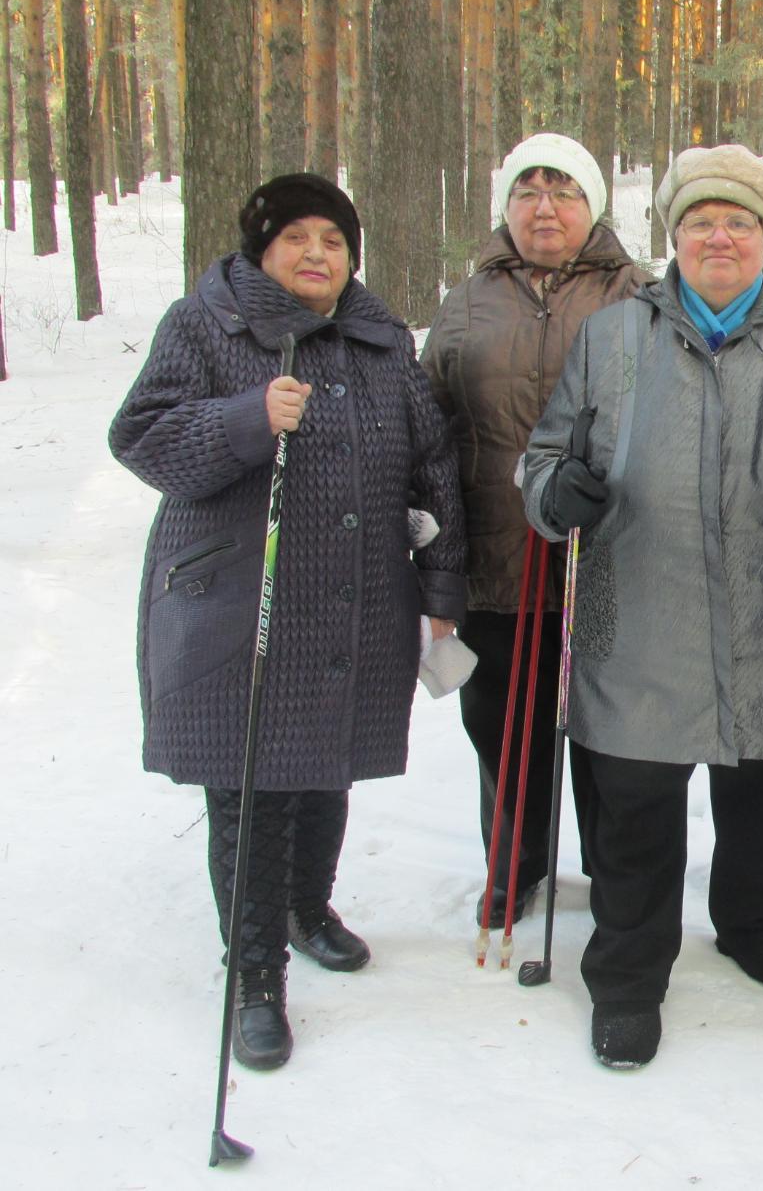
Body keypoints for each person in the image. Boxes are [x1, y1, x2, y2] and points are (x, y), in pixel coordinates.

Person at [522, 143, 763, 1069]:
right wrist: (556, 494)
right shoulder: (611, 337)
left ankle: (754, 926)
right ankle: (628, 982)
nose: (720, 236)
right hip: (641, 609)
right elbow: (545, 454)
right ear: (673, 236)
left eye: (741, 223)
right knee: (635, 808)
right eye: (701, 221)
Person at [110, 173, 467, 1070]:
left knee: (326, 767)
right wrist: (243, 419)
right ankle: (254, 976)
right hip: (243, 599)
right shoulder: (208, 326)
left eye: (335, 241)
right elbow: (141, 434)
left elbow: (433, 471)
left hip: (356, 598)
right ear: (262, 248)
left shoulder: (383, 340)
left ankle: (309, 909)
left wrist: (443, 594)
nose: (318, 256)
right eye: (298, 239)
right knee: (252, 780)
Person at [422, 134, 649, 924]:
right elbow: (431, 427)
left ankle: (614, 871)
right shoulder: (467, 302)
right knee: (502, 727)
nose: (544, 205)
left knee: (608, 732)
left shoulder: (639, 294)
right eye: (528, 189)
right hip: (497, 559)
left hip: (609, 559)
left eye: (563, 190)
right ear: (505, 207)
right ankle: (515, 863)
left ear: (593, 207)